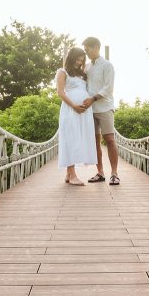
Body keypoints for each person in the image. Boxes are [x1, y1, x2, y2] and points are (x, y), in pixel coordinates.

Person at [55, 47, 96, 185]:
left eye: (82, 59)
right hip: (70, 109)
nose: (80, 62)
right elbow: (60, 93)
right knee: (71, 138)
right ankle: (72, 175)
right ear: (71, 58)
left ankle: (68, 174)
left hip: (84, 112)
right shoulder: (63, 72)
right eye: (78, 59)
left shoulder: (83, 73)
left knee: (79, 138)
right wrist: (74, 106)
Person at [81, 36, 118, 185]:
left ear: (96, 47)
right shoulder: (87, 67)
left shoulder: (107, 65)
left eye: (87, 50)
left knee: (109, 139)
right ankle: (100, 172)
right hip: (89, 111)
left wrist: (93, 99)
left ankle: (114, 174)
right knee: (95, 142)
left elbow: (109, 88)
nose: (86, 53)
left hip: (105, 108)